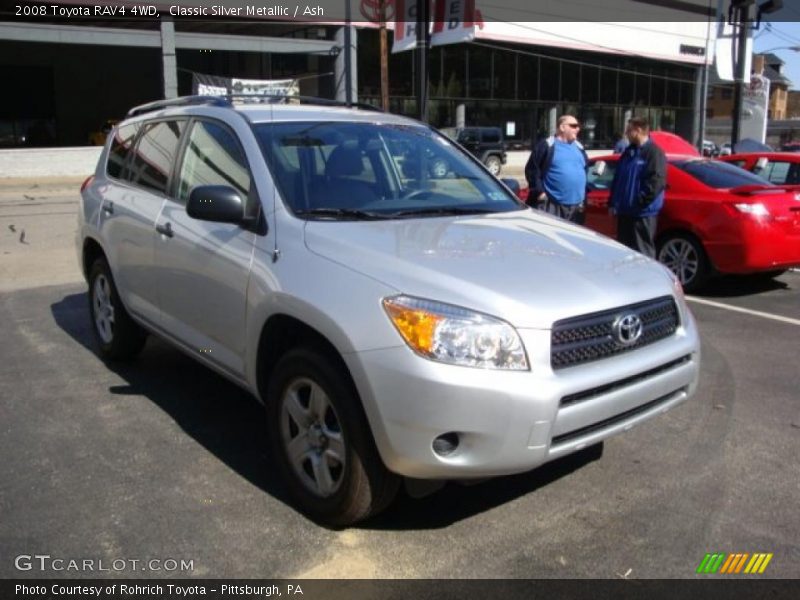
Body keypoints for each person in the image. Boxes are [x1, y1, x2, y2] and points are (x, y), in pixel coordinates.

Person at [609, 117, 666, 258]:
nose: (626, 134)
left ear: (638, 130)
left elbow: (656, 181)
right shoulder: (628, 152)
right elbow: (618, 178)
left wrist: (641, 200)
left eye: (629, 130)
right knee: (624, 252)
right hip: (625, 212)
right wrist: (613, 202)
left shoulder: (653, 152)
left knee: (643, 253)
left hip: (642, 214)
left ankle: (647, 279)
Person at [524, 115, 589, 223]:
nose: (578, 129)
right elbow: (532, 170)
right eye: (573, 126)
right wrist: (540, 192)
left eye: (578, 126)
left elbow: (585, 169)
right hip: (552, 206)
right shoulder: (546, 145)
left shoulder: (579, 147)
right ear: (562, 127)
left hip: (577, 207)